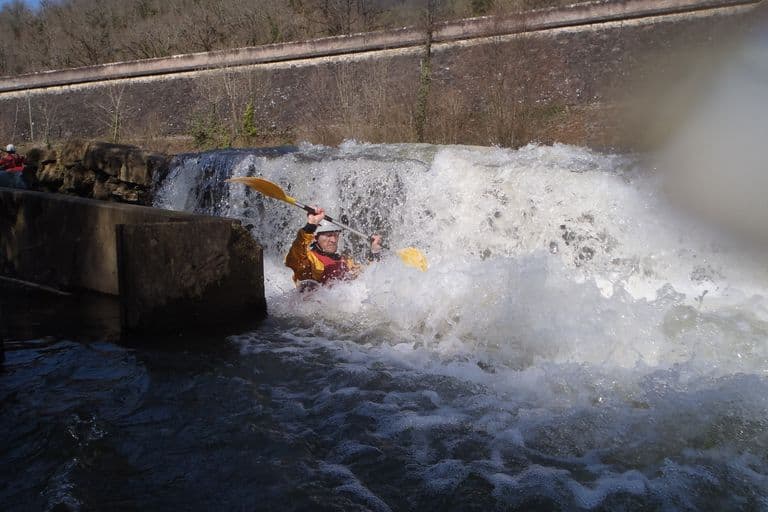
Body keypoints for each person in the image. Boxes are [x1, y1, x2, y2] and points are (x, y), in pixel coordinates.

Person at [285, 206, 382, 289]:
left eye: (335, 235)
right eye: (328, 235)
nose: (333, 240)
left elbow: (368, 275)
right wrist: (310, 226)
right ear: (315, 238)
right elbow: (295, 257)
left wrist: (374, 252)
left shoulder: (345, 262)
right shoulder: (310, 260)